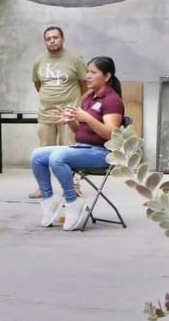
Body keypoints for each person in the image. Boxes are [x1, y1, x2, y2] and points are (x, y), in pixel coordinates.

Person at [31, 56, 125, 231]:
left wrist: (87, 118)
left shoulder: (112, 100)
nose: (87, 76)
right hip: (82, 148)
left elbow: (111, 134)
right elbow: (81, 133)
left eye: (93, 72)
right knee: (37, 155)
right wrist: (71, 121)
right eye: (87, 72)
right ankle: (49, 199)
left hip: (102, 154)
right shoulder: (89, 98)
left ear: (106, 76)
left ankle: (72, 201)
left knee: (57, 157)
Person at [30, 26, 88, 199]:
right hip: (46, 115)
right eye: (48, 38)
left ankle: (73, 186)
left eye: (55, 37)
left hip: (69, 116)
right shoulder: (38, 61)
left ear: (62, 39)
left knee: (70, 153)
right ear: (45, 41)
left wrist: (75, 107)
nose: (52, 41)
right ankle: (43, 187)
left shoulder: (75, 59)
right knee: (42, 154)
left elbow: (84, 84)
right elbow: (38, 85)